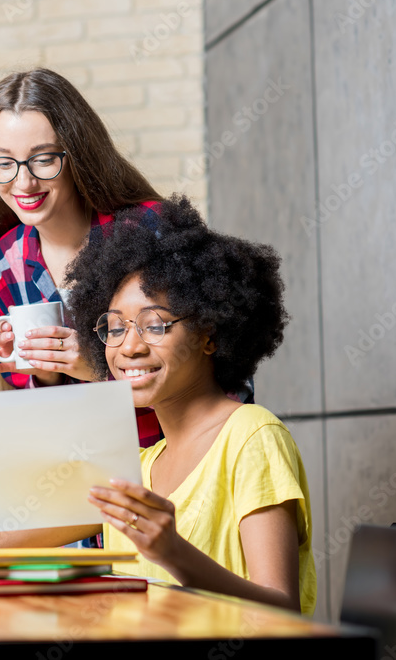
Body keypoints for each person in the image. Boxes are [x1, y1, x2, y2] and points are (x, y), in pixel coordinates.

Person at [66, 194, 315, 613]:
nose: (129, 346)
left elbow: (281, 609)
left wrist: (172, 551)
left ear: (210, 334)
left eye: (154, 325)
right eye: (113, 327)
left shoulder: (251, 436)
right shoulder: (141, 468)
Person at [0, 67, 167, 450]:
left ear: (76, 153)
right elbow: (33, 411)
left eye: (43, 159)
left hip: (170, 465)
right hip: (74, 476)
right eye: (3, 162)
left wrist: (99, 365)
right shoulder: (4, 267)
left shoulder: (150, 231)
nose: (23, 183)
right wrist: (42, 373)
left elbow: (210, 369)